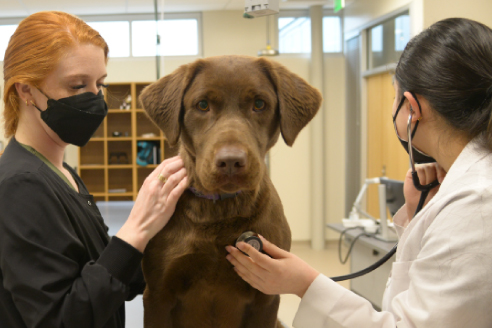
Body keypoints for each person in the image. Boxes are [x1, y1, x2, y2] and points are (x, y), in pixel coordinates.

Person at [226, 17, 492, 327]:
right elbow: (410, 306)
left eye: (394, 97)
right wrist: (417, 213)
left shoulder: (475, 204)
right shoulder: (469, 188)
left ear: (411, 109)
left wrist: (306, 284)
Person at [0, 11, 188, 327]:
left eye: (99, 83)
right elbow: (59, 319)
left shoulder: (62, 172)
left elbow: (104, 275)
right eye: (76, 85)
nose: (95, 99)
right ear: (26, 90)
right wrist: (137, 228)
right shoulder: (22, 185)